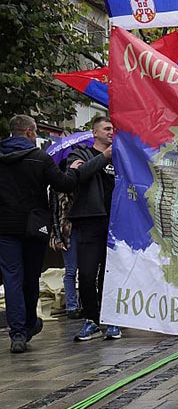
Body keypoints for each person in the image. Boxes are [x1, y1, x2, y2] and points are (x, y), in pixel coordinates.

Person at [0, 115, 108, 353]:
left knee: (12, 278)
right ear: (29, 132)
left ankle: (18, 332)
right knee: (30, 278)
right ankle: (28, 325)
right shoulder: (40, 158)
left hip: (5, 227)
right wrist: (72, 170)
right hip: (34, 226)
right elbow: (64, 184)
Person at [67, 116, 121, 341]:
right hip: (90, 221)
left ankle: (111, 321)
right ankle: (91, 318)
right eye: (106, 129)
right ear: (94, 133)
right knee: (87, 274)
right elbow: (77, 176)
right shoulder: (80, 153)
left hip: (116, 223)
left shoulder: (121, 156)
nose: (111, 132)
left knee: (111, 274)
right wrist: (103, 157)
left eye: (113, 129)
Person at [49, 160, 82, 319]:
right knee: (70, 270)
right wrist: (57, 236)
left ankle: (83, 304)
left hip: (83, 228)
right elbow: (54, 213)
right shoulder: (56, 188)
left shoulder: (81, 183)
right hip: (66, 232)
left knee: (85, 269)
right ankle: (71, 306)